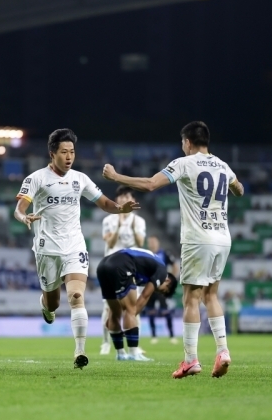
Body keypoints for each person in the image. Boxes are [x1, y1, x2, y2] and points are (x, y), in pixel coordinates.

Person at [102, 121, 244, 379]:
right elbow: (240, 189)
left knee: (191, 298)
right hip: (223, 237)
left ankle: (191, 360)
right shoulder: (223, 165)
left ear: (188, 142)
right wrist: (231, 186)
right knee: (211, 296)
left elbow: (149, 184)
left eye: (183, 143)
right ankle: (223, 351)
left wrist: (116, 177)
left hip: (198, 238)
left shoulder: (184, 163)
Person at [14, 128, 140, 369]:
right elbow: (20, 208)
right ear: (52, 153)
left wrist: (120, 208)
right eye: (64, 152)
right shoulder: (37, 178)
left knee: (76, 296)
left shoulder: (79, 178)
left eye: (72, 151)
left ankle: (80, 351)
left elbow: (104, 202)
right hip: (47, 249)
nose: (69, 156)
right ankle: (46, 307)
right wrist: (24, 217)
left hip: (74, 246)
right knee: (54, 303)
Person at [96, 247, 177, 361]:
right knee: (130, 309)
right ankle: (134, 353)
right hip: (121, 264)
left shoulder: (150, 267)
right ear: (168, 281)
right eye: (163, 290)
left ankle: (120, 354)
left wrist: (122, 320)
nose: (158, 291)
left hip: (103, 265)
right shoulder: (162, 272)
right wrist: (130, 318)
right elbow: (144, 296)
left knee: (114, 312)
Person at [100, 185, 146, 356]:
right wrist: (119, 226)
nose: (124, 199)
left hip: (132, 266)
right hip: (112, 265)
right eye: (120, 196)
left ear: (133, 200)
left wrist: (132, 227)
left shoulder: (139, 221)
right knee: (109, 308)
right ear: (117, 200)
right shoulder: (108, 220)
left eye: (127, 196)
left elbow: (141, 243)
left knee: (133, 308)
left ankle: (135, 344)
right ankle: (105, 343)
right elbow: (110, 244)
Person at [146, 236, 179, 345]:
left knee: (166, 311)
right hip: (150, 286)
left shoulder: (164, 253)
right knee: (150, 311)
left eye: (153, 241)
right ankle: (154, 336)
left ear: (158, 242)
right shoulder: (146, 254)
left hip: (162, 287)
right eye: (150, 242)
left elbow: (175, 266)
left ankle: (172, 335)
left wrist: (171, 280)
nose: (152, 244)